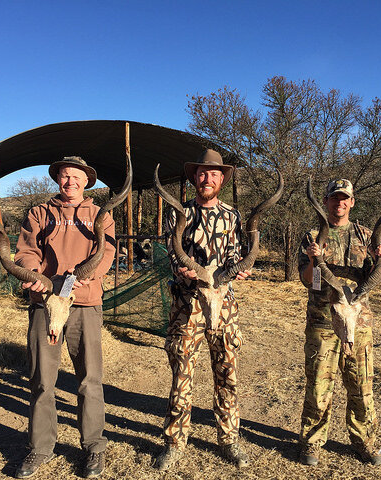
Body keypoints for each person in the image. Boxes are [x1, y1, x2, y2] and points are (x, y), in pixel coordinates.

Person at [13, 156, 115, 479]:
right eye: (63, 176)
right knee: (42, 379)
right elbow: (26, 250)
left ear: (87, 181)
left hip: (83, 303)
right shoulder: (40, 213)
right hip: (46, 305)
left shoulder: (100, 215)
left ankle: (94, 448)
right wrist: (29, 272)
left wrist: (90, 273)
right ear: (57, 179)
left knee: (90, 379)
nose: (69, 181)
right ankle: (41, 447)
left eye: (75, 176)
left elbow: (106, 252)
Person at [155, 149, 251, 471]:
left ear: (221, 179)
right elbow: (173, 253)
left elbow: (237, 254)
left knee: (227, 374)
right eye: (201, 173)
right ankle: (175, 442)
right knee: (182, 375)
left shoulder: (233, 216)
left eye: (213, 174)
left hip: (224, 306)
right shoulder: (178, 213)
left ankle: (229, 440)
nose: (206, 178)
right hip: (187, 307)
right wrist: (184, 269)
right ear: (194, 177)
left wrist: (240, 269)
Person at [297, 178, 381, 466]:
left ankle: (365, 442)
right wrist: (314, 261)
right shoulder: (313, 236)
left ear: (352, 202)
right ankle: (312, 443)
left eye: (344, 198)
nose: (339, 203)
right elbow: (307, 281)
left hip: (359, 324)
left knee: (361, 386)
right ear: (325, 202)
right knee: (318, 387)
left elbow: (378, 279)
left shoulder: (365, 235)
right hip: (323, 323)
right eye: (334, 198)